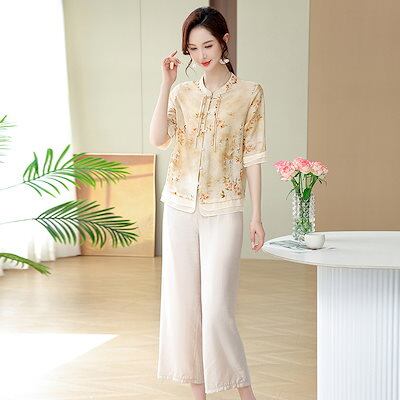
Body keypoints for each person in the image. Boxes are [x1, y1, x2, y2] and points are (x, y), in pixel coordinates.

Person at [149, 6, 266, 400]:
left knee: (217, 311)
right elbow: (158, 139)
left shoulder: (249, 93)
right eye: (193, 48)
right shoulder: (182, 93)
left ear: (225, 42)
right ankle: (198, 394)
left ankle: (245, 394)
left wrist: (257, 215)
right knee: (185, 307)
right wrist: (166, 83)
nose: (201, 55)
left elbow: (253, 155)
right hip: (179, 207)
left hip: (225, 208)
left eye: (208, 45)